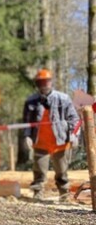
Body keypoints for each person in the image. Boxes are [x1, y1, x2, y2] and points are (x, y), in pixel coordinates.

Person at [23, 69, 79, 202]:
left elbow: (74, 119)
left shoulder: (63, 98)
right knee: (39, 171)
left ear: (51, 82)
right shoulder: (31, 101)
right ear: (37, 84)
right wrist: (27, 136)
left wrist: (74, 134)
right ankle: (38, 193)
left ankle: (64, 194)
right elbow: (26, 122)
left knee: (62, 171)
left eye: (46, 82)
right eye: (41, 82)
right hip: (40, 141)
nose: (44, 85)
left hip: (60, 141)